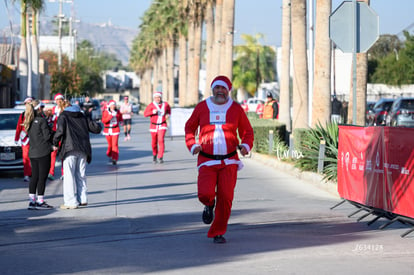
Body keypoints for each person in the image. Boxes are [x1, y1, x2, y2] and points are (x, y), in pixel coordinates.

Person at [185, 75, 254, 244]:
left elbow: (248, 131)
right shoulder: (202, 107)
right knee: (205, 193)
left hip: (229, 161)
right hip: (207, 161)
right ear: (212, 89)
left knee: (225, 198)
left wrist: (245, 145)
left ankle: (218, 231)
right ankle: (208, 204)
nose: (220, 91)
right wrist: (193, 145)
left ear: (228, 90)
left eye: (223, 88)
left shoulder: (236, 109)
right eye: (217, 88)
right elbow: (189, 127)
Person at [53, 103, 102, 209]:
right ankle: (83, 199)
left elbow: (60, 131)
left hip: (69, 148)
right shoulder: (82, 116)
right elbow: (96, 129)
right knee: (81, 175)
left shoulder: (63, 116)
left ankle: (71, 202)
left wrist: (55, 143)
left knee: (69, 176)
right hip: (83, 149)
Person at [24, 100, 54, 210]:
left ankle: (32, 201)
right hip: (43, 152)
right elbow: (47, 137)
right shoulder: (41, 120)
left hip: (33, 152)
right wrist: (51, 131)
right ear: (39, 108)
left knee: (34, 177)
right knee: (42, 177)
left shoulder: (28, 120)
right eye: (42, 106)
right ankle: (40, 201)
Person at [143, 91, 171, 164]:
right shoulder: (151, 105)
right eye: (156, 97)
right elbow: (145, 114)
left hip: (162, 125)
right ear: (154, 98)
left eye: (159, 97)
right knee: (154, 142)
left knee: (161, 140)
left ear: (161, 97)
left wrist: (167, 114)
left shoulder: (166, 104)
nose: (157, 99)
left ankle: (160, 156)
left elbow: (169, 111)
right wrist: (152, 112)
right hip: (153, 125)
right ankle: (154, 154)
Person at [15, 97, 33, 182]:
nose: (28, 105)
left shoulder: (35, 114)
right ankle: (26, 174)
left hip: (34, 139)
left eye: (30, 103)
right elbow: (18, 127)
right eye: (27, 103)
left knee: (34, 157)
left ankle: (34, 173)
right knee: (25, 158)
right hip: (25, 139)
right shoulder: (22, 115)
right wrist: (16, 138)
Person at [49, 93, 66, 180]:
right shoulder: (53, 109)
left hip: (63, 134)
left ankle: (64, 173)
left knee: (63, 154)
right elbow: (51, 120)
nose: (59, 101)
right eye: (57, 100)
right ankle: (51, 172)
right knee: (53, 153)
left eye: (60, 100)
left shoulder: (65, 109)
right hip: (55, 133)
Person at [102, 100, 123, 165]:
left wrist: (121, 122)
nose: (113, 106)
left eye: (114, 105)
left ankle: (114, 159)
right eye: (112, 105)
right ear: (109, 106)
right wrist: (111, 116)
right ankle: (109, 154)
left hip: (115, 130)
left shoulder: (118, 112)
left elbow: (120, 118)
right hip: (107, 130)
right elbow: (104, 121)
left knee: (115, 145)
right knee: (110, 145)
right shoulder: (106, 112)